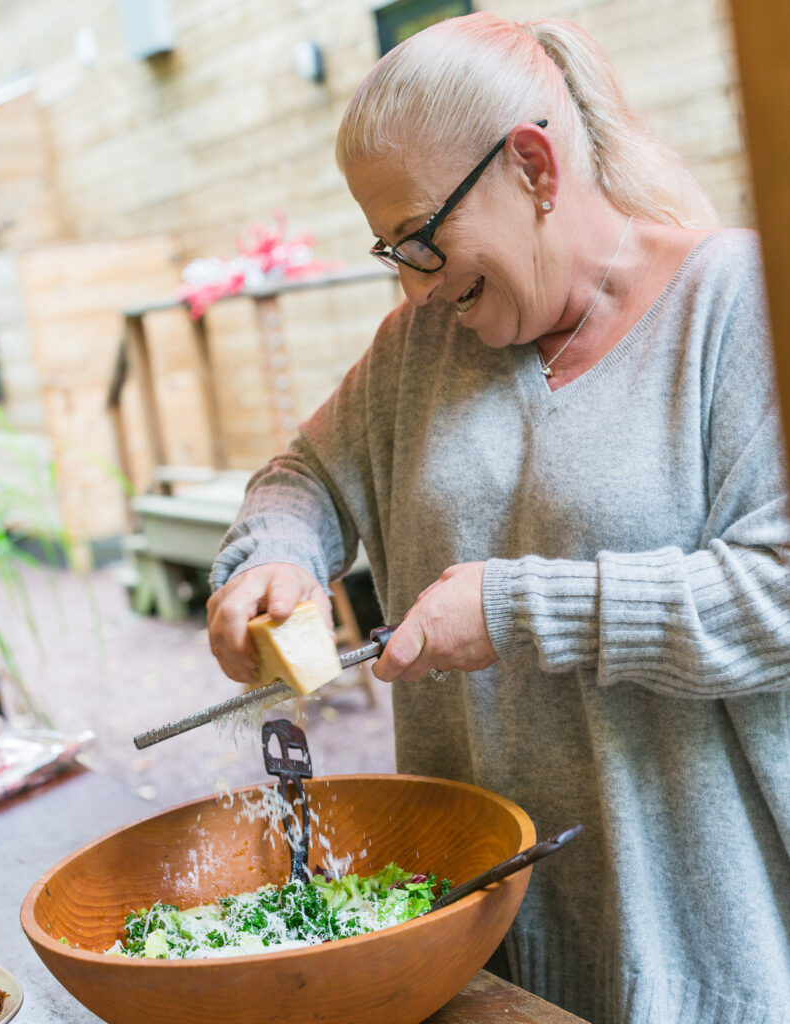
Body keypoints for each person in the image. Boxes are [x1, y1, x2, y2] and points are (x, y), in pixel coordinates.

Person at [207, 13, 790, 1024]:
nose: (412, 284)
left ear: (533, 166)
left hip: (691, 944)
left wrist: (519, 609)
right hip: (473, 935)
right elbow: (302, 475)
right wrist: (273, 554)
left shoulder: (734, 303)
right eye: (390, 247)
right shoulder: (418, 345)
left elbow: (775, 596)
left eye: (424, 240)